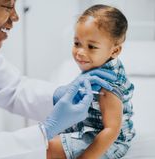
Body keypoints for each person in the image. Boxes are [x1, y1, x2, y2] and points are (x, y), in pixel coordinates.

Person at [0, 1, 116, 159]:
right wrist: (46, 130)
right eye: (7, 6)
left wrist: (60, 95)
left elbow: (14, 88)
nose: (15, 17)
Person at [48, 4, 135, 159]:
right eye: (77, 43)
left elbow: (111, 131)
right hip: (89, 127)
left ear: (114, 51)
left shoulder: (107, 86)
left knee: (48, 148)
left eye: (91, 46)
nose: (80, 52)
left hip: (109, 141)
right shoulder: (96, 65)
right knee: (43, 138)